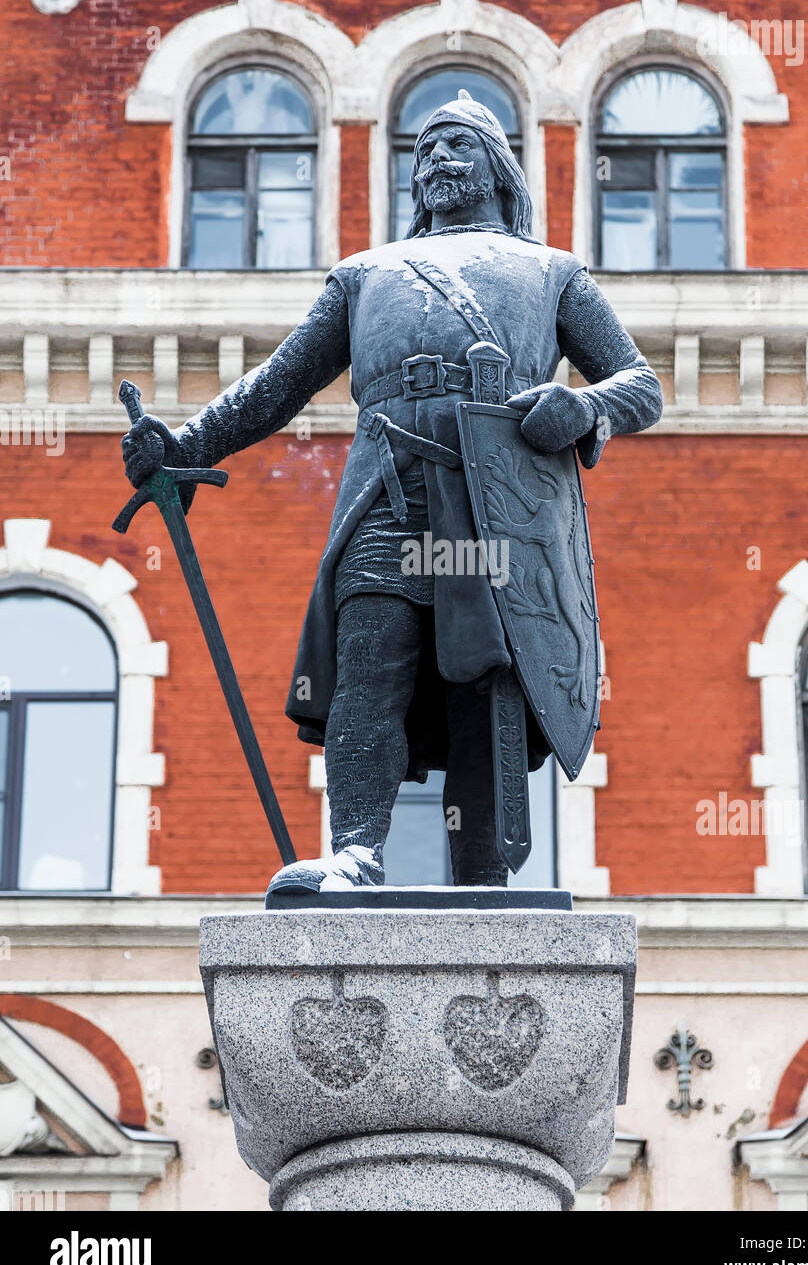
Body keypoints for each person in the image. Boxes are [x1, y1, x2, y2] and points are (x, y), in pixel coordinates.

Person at [122, 90, 662, 896]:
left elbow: (640, 385)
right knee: (369, 660)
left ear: (496, 166)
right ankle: (353, 856)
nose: (437, 160)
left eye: (457, 146)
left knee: (483, 682)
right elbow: (278, 385)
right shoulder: (364, 275)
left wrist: (581, 404)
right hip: (389, 486)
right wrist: (188, 443)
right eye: (424, 151)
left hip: (495, 498)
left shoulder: (551, 273)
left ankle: (482, 876)